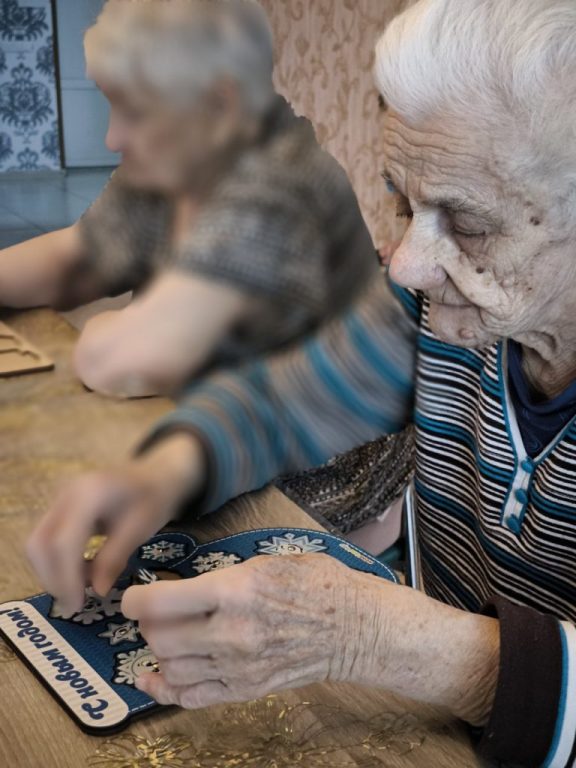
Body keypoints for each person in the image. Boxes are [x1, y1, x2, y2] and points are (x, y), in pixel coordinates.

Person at [27, 0, 576, 764]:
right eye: (402, 201)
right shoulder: (438, 305)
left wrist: (385, 640)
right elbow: (290, 398)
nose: (406, 264)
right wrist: (168, 469)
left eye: (469, 223)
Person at [0, 0, 376, 397]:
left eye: (135, 112)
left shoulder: (282, 190)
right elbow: (75, 261)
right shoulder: (180, 161)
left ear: (221, 105)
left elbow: (114, 363)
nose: (112, 138)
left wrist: (118, 324)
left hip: (306, 428)